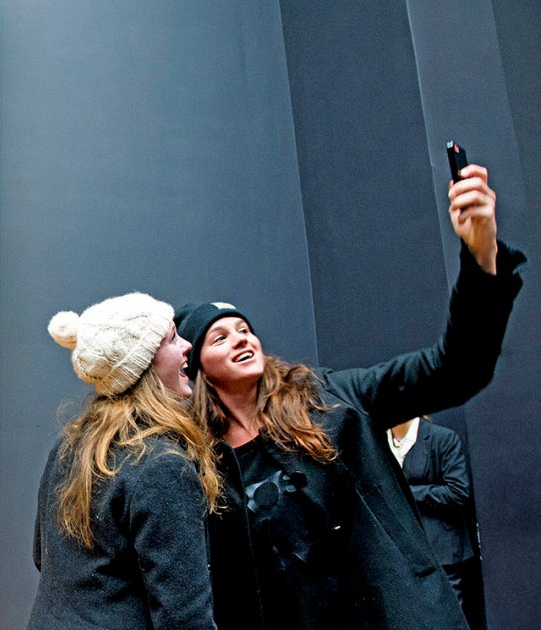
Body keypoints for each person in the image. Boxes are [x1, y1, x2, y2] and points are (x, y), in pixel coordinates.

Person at [174, 162, 523, 629]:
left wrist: (481, 257)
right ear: (197, 368)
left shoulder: (333, 397)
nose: (241, 339)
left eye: (245, 330)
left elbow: (455, 370)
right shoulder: (203, 463)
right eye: (220, 338)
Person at [30, 292, 219, 629]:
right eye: (172, 338)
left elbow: (40, 556)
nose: (188, 345)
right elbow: (185, 618)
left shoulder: (70, 443)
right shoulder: (162, 465)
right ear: (142, 363)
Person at [388, 417, 480, 612]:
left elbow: (458, 491)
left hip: (442, 548)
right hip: (401, 550)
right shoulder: (378, 444)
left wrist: (407, 492)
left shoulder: (442, 438)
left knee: (447, 613)